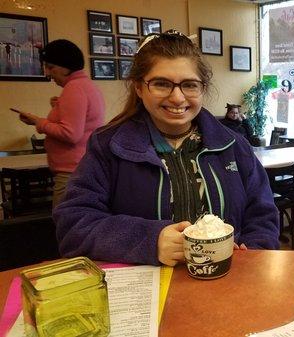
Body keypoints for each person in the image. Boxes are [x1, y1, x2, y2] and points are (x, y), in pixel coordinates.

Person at [53, 30, 280, 266]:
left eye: (189, 85)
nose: (177, 98)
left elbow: (263, 215)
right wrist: (150, 240)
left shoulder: (234, 145)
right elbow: (73, 225)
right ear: (139, 88)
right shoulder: (108, 147)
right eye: (161, 84)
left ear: (202, 89)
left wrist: (253, 251)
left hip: (225, 284)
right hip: (145, 292)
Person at [15, 39, 105, 207]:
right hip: (81, 168)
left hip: (71, 172)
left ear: (66, 66)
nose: (47, 73)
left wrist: (38, 122)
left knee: (64, 226)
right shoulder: (85, 86)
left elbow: (71, 134)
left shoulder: (74, 88)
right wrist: (58, 107)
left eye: (50, 67)